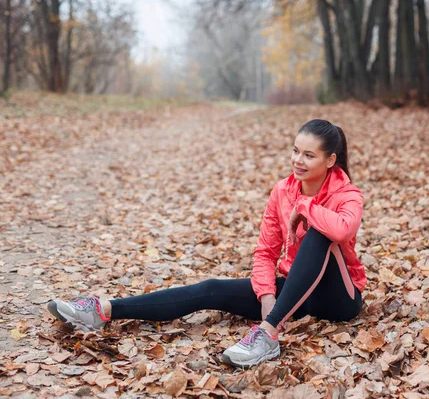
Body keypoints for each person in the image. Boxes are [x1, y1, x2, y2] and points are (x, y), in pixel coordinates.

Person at [47, 119, 367, 368]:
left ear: (330, 160)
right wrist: (267, 294)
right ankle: (102, 310)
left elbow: (341, 230)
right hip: (293, 296)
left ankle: (268, 334)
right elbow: (266, 251)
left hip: (337, 298)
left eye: (309, 155)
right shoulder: (282, 190)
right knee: (210, 288)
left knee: (319, 232)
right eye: (295, 150)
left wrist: (305, 208)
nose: (298, 160)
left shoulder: (347, 194)